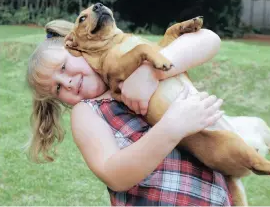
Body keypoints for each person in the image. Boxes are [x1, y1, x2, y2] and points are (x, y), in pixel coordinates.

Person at [26, 21, 233, 206]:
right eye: (57, 89)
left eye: (63, 66)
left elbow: (209, 40)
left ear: (77, 47)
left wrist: (150, 73)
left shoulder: (136, 63)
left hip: (217, 196)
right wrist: (171, 128)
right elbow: (113, 175)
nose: (67, 83)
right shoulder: (87, 112)